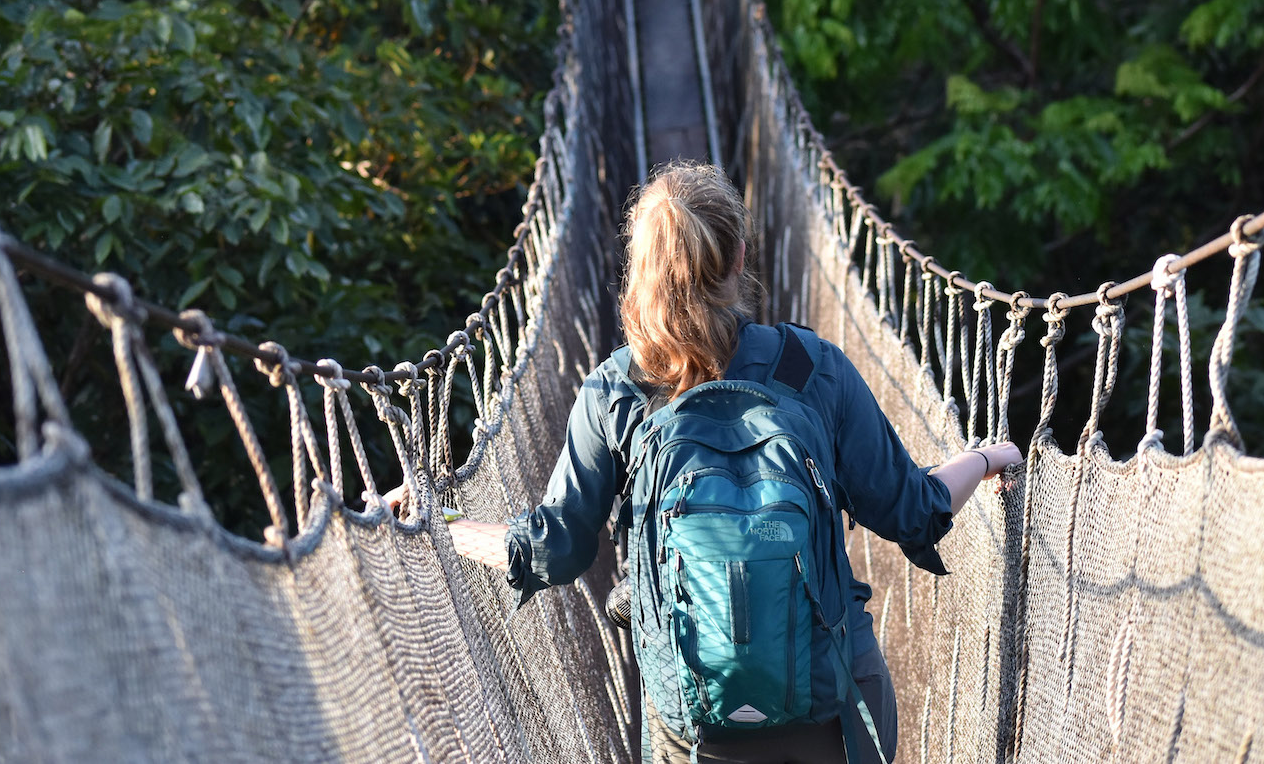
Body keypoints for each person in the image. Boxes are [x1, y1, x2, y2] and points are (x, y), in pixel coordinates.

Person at [432, 162, 1022, 763]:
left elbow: (555, 548)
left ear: (640, 270)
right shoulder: (812, 368)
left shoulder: (615, 391)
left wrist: (446, 524)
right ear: (740, 257)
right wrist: (986, 455)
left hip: (696, 728)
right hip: (834, 710)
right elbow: (915, 511)